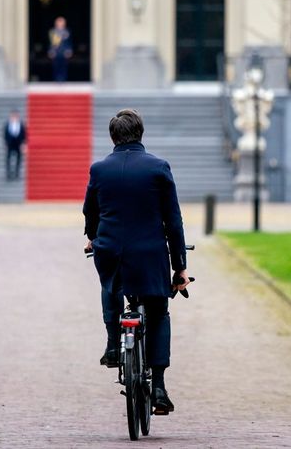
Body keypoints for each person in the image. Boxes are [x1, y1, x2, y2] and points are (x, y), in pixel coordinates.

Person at [82, 109, 190, 416]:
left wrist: (92, 236)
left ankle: (114, 344)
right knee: (158, 313)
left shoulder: (99, 169)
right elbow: (174, 221)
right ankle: (158, 386)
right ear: (140, 134)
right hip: (150, 255)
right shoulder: (158, 168)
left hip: (111, 250)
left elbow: (91, 211)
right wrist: (179, 265)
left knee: (110, 282)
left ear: (112, 137)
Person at [47, 16, 73, 82]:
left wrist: (69, 50)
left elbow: (69, 42)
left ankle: (63, 79)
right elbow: (51, 42)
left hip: (64, 52)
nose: (60, 24)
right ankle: (56, 79)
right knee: (55, 66)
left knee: (64, 66)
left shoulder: (67, 31)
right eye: (59, 22)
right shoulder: (53, 31)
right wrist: (51, 51)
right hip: (56, 52)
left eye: (62, 22)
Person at [2, 109, 26, 180]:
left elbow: (24, 135)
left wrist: (23, 144)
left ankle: (17, 173)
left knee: (19, 159)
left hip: (18, 144)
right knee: (8, 158)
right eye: (13, 116)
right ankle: (8, 173)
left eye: (15, 116)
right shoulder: (7, 125)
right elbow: (5, 134)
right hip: (10, 143)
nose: (14, 117)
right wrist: (5, 143)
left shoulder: (21, 125)